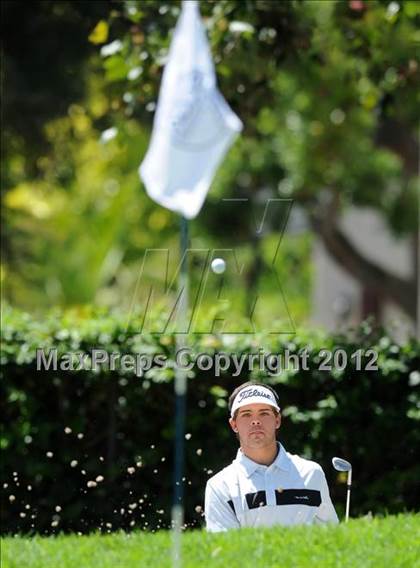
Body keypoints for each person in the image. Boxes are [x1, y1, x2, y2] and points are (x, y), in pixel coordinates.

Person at [204, 381, 339, 531]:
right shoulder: (220, 486)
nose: (256, 421)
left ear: (277, 420)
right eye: (246, 414)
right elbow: (227, 551)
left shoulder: (312, 473)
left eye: (264, 413)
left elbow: (330, 537)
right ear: (234, 424)